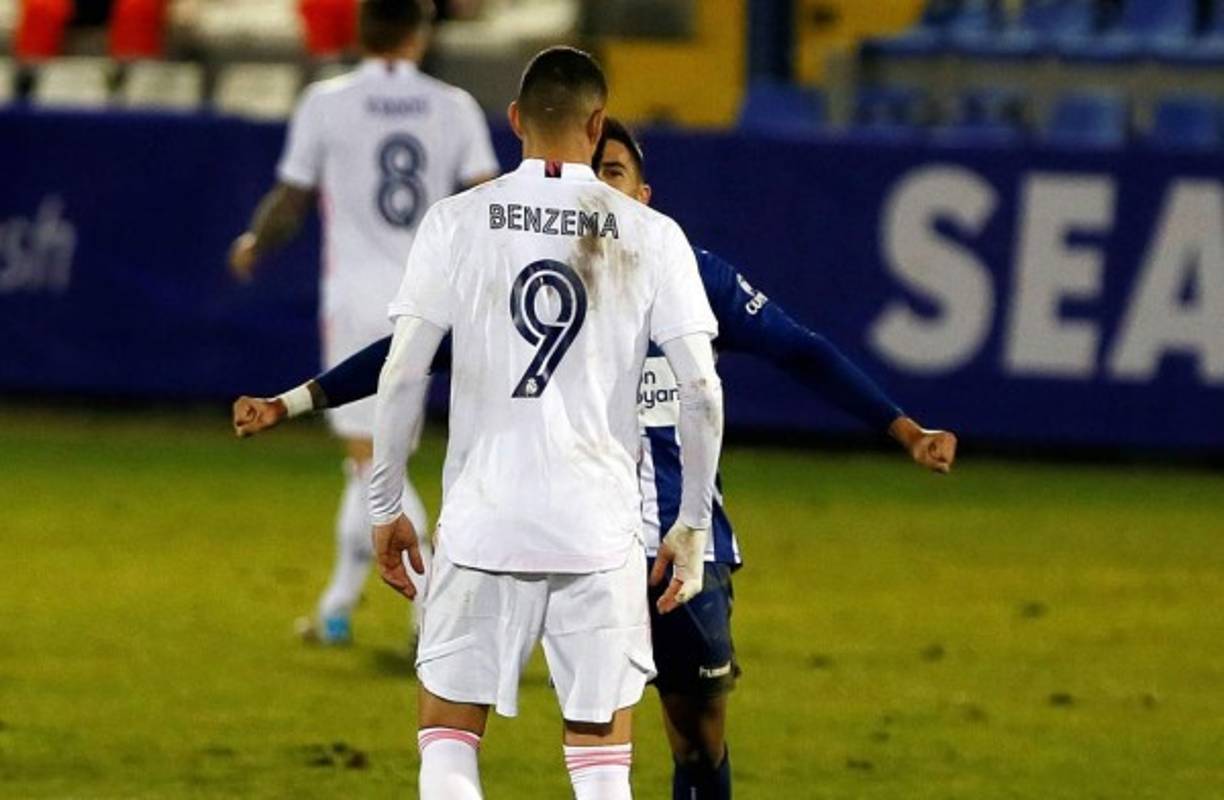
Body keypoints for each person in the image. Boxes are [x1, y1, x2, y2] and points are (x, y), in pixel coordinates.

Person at [233, 120, 957, 798]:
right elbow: (410, 355)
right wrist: (296, 401)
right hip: (565, 530)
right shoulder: (524, 275)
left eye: (615, 173)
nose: (599, 185)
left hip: (675, 541)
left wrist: (903, 428)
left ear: (643, 197)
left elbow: (800, 348)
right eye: (592, 170)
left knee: (697, 736)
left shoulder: (682, 271)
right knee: (566, 735)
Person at [365, 47, 723, 799]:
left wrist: (386, 505)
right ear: (598, 125)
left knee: (449, 745)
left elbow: (401, 374)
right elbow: (700, 388)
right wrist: (690, 524)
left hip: (481, 523)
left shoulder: (457, 222)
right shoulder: (653, 235)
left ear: (516, 120)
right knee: (600, 764)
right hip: (599, 533)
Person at [228, 0, 498, 645]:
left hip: (355, 301)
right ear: (420, 33)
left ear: (359, 31)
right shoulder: (454, 105)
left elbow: (292, 199)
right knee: (382, 461)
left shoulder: (326, 102)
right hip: (433, 299)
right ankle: (338, 607)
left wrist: (255, 244)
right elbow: (488, 199)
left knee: (372, 464)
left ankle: (430, 608)